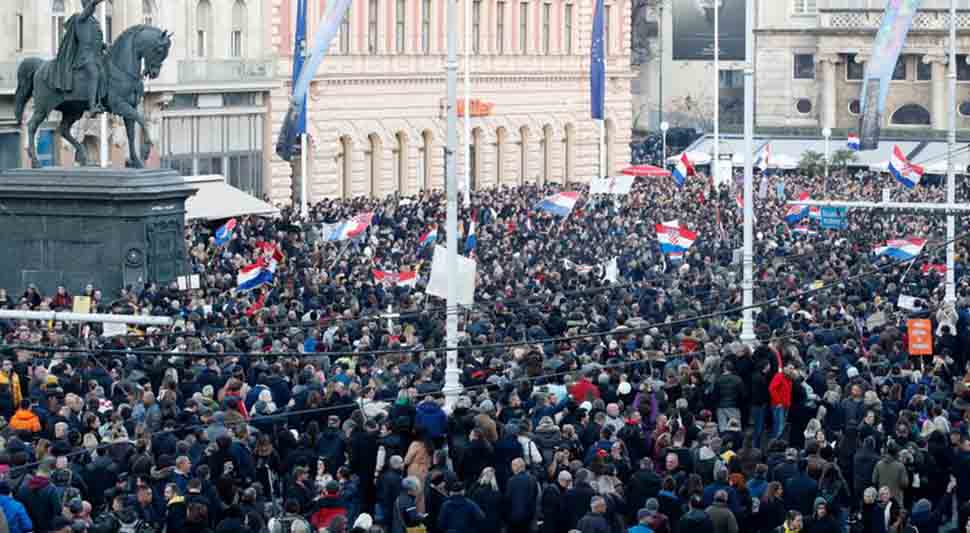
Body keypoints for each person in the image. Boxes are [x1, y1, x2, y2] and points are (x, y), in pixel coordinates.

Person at [504, 459, 538, 533]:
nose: (511, 468)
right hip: (529, 518)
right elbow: (535, 497)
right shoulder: (533, 479)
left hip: (514, 519)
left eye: (512, 466)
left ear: (516, 467)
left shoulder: (511, 481)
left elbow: (508, 500)